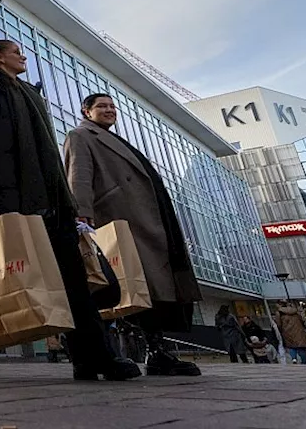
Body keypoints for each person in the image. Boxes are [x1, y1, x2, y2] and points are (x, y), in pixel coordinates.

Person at [0, 40, 141, 382]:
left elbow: (48, 154)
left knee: (73, 281)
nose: (23, 57)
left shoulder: (30, 92)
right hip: (5, 197)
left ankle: (92, 358)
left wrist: (69, 204)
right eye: (17, 53)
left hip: (50, 198)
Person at [64, 92, 203, 377]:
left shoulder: (113, 139)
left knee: (147, 288)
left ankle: (156, 352)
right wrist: (81, 214)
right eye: (102, 106)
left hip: (142, 218)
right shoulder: (81, 135)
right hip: (118, 218)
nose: (109, 110)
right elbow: (78, 173)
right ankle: (104, 355)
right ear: (86, 111)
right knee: (122, 287)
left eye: (112, 106)